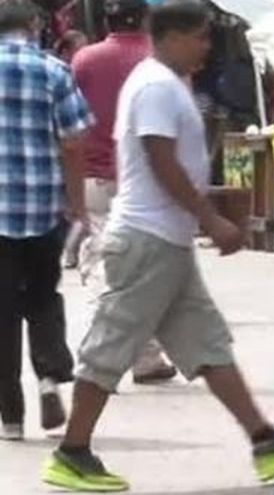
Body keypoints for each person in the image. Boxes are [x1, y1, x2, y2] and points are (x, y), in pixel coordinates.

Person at [41, 1, 274, 492]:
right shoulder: (156, 85)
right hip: (147, 240)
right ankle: (72, 452)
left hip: (166, 242)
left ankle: (264, 439)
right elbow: (161, 160)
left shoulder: (165, 83)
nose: (206, 48)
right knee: (110, 348)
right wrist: (210, 219)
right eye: (200, 37)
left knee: (207, 345)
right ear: (172, 37)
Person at [71, 0, 178, 385]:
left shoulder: (84, 59)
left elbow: (70, 121)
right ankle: (139, 356)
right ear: (147, 18)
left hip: (95, 175)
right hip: (149, 178)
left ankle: (113, 353)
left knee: (106, 263)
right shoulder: (161, 60)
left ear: (106, 20)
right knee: (146, 268)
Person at [0, 0, 92, 442]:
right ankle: (50, 376)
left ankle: (10, 416)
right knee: (42, 298)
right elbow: (74, 142)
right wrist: (77, 203)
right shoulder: (54, 70)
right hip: (42, 207)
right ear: (35, 25)